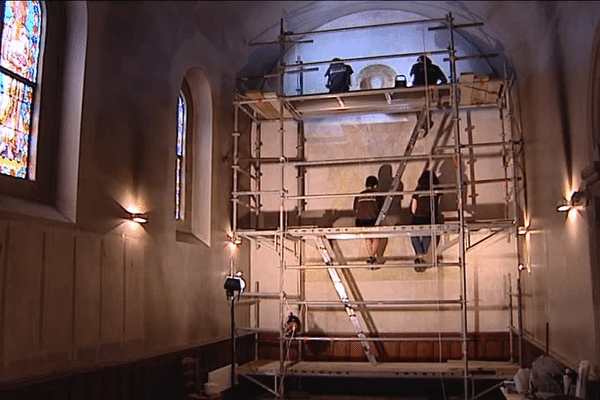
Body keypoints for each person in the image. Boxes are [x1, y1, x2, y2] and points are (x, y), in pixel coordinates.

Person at [410, 170, 442, 272]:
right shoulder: (436, 190)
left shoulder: (418, 190)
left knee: (414, 234)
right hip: (430, 217)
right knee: (428, 234)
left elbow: (413, 208)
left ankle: (420, 255)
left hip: (418, 217)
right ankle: (421, 255)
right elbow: (439, 203)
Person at [353, 175, 387, 266]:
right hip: (372, 221)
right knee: (376, 237)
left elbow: (356, 210)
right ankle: (372, 256)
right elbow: (382, 211)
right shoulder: (378, 195)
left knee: (367, 237)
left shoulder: (359, 195)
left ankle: (371, 257)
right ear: (375, 186)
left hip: (360, 222)